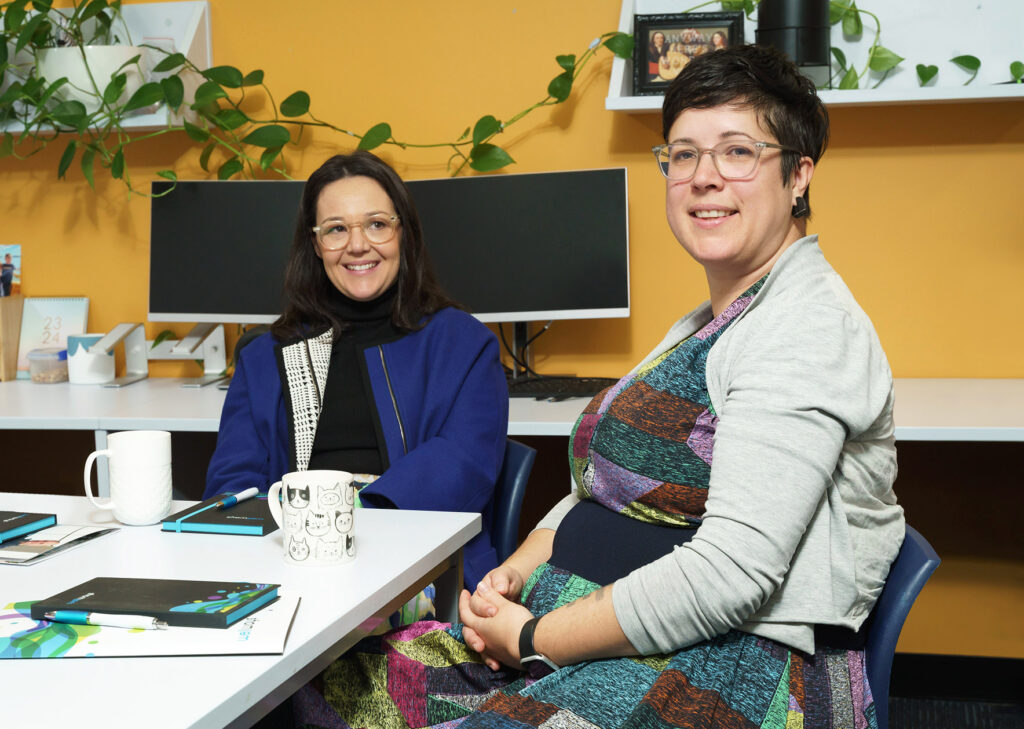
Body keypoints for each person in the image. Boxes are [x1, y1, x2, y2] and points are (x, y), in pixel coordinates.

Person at [299, 44, 904, 728]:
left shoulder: (804, 327)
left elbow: (731, 577)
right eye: (683, 154)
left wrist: (531, 637)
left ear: (798, 176)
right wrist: (519, 569)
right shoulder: (711, 319)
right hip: (588, 633)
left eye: (737, 152)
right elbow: (606, 486)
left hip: (730, 666)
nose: (704, 177)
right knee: (323, 677)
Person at [204, 151, 509, 590]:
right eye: (336, 230)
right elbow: (232, 484)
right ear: (315, 245)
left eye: (377, 224)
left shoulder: (462, 344)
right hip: (289, 568)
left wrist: (352, 515)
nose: (358, 244)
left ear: (403, 232)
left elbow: (464, 463)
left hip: (422, 567)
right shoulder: (266, 355)